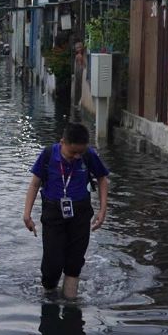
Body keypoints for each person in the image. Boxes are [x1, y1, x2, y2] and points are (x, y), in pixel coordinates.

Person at [22, 122, 110, 298]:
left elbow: (102, 179)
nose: (77, 156)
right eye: (73, 152)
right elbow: (35, 183)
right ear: (62, 142)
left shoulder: (89, 155)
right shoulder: (48, 155)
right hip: (53, 212)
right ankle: (49, 294)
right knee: (52, 264)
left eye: (80, 152)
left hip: (80, 213)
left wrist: (102, 210)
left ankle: (71, 302)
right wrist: (27, 214)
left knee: (74, 263)